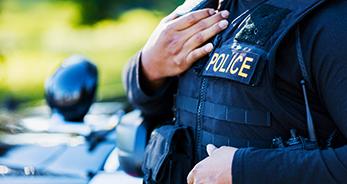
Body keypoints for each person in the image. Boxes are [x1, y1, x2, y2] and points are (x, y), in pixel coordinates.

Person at [123, 0, 347, 183]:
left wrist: (245, 170)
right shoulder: (199, 9)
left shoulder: (329, 23)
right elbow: (152, 109)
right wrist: (148, 68)